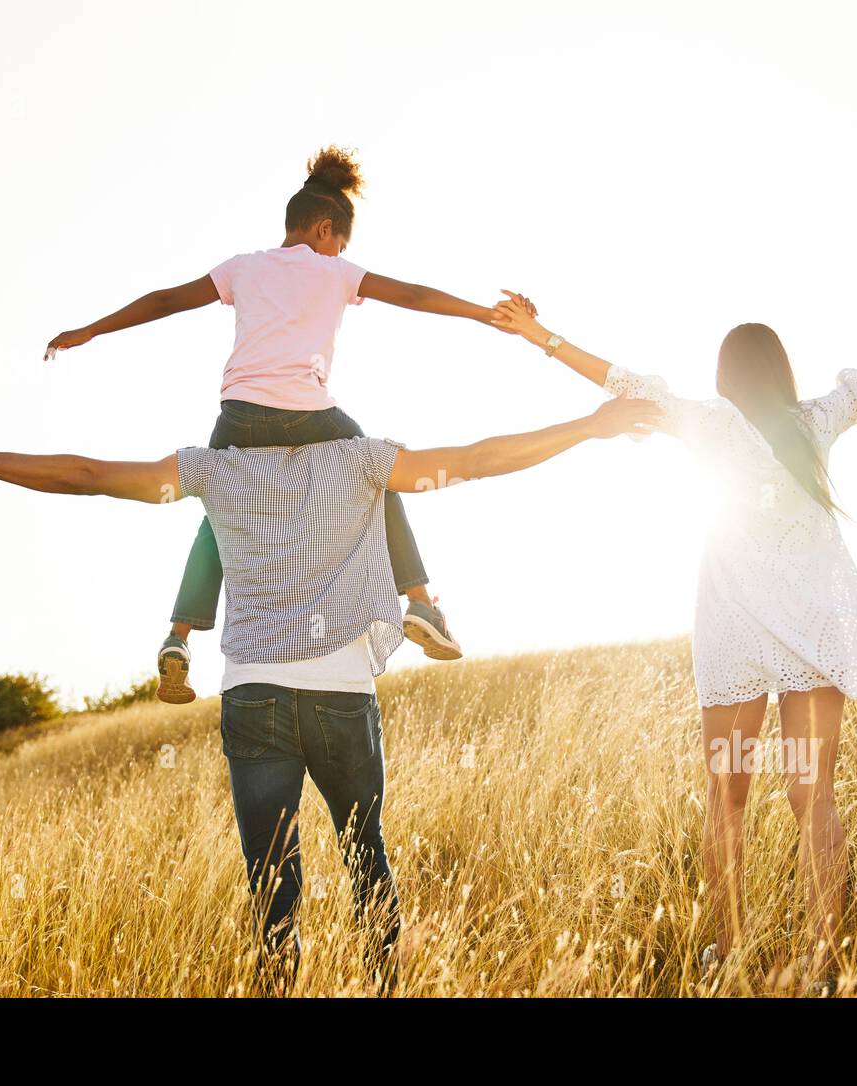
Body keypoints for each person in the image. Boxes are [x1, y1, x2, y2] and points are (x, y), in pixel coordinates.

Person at [0, 395, 662, 993]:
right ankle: (423, 602)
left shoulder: (218, 469)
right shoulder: (358, 460)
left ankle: (178, 632)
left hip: (254, 691)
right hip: (339, 692)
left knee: (272, 890)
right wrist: (591, 425)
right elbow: (477, 458)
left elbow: (89, 476)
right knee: (370, 859)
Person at [491, 289, 857, 994]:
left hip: (736, 629)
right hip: (812, 634)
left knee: (725, 798)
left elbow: (622, 382)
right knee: (814, 796)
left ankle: (728, 952)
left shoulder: (709, 421)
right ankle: (829, 964)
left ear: (726, 374)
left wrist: (539, 335)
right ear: (781, 371)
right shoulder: (813, 421)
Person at [44, 146, 536, 703]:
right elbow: (415, 296)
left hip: (239, 419)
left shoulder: (242, 267)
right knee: (380, 474)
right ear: (327, 230)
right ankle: (420, 599)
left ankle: (179, 636)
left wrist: (91, 330)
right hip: (312, 418)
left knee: (219, 514)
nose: (339, 253)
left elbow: (163, 301)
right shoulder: (336, 271)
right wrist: (483, 314)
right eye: (340, 244)